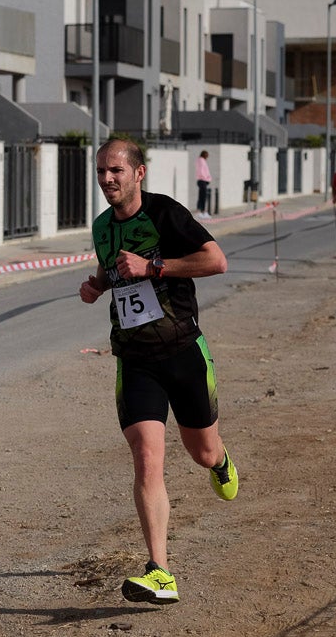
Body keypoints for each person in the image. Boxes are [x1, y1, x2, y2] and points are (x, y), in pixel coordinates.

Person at [78, 138, 239, 606]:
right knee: (147, 456)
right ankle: (160, 570)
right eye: (101, 171)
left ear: (138, 173)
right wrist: (98, 285)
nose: (107, 179)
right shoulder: (103, 227)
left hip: (184, 351)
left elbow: (216, 260)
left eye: (116, 171)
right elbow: (113, 272)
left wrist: (155, 265)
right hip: (135, 358)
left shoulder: (166, 213)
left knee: (202, 454)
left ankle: (221, 458)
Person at [195, 150, 212, 219]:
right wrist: (206, 178)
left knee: (201, 196)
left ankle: (201, 212)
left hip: (202, 180)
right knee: (203, 197)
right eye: (207, 155)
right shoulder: (201, 161)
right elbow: (201, 171)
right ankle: (202, 212)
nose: (207, 157)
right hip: (202, 180)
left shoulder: (200, 160)